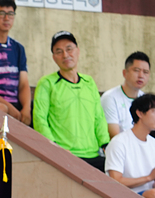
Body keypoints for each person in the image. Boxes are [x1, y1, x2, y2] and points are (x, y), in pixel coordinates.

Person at [33, 31, 110, 170]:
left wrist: (105, 144)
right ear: (54, 57)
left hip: (93, 154)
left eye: (69, 49)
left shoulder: (89, 82)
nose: (65, 55)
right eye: (59, 51)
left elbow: (98, 117)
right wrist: (55, 148)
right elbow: (39, 119)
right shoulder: (47, 83)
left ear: (78, 51)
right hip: (65, 156)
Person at [101, 52, 151, 138]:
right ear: (124, 73)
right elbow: (114, 136)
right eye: (136, 70)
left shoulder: (147, 100)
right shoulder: (110, 98)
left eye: (145, 72)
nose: (141, 76)